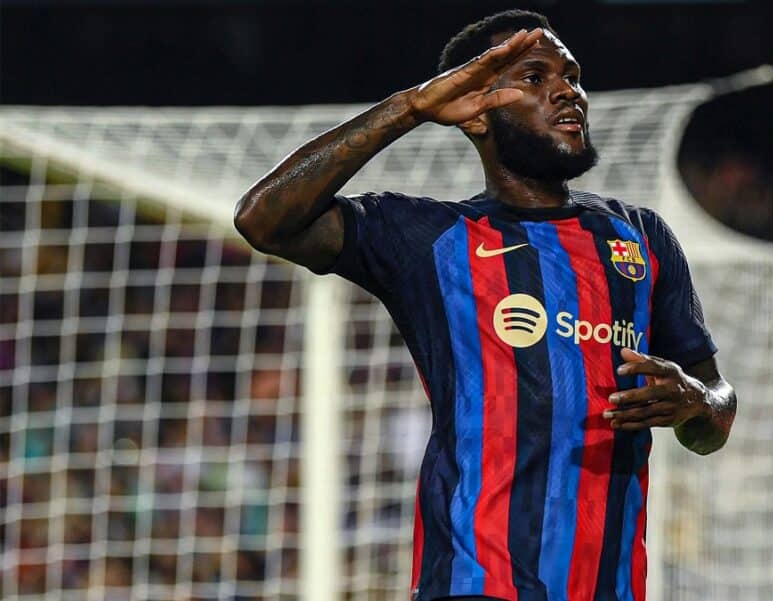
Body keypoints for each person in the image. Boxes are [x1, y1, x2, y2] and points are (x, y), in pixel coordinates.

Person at [234, 10, 736, 601]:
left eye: (572, 76)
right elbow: (262, 219)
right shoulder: (429, 238)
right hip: (474, 582)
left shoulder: (641, 236)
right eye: (535, 77)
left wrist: (698, 401)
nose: (567, 91)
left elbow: (715, 416)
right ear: (475, 111)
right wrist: (410, 107)